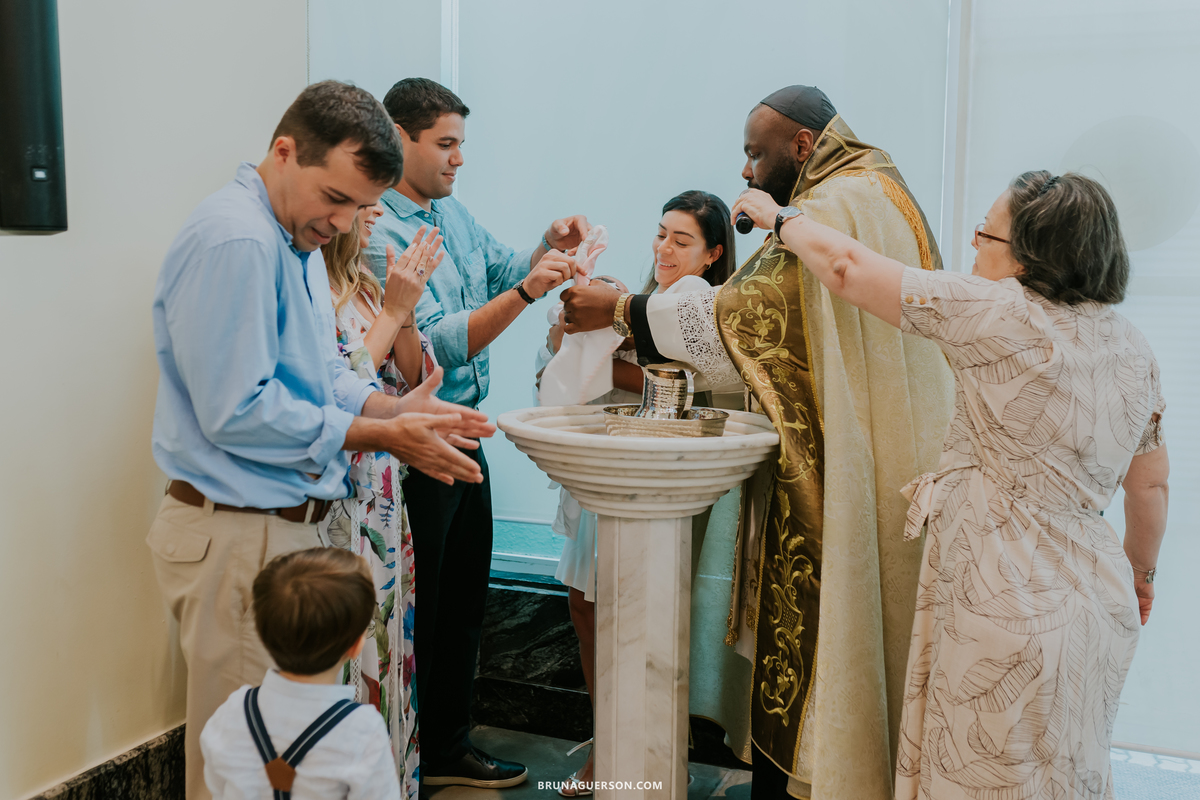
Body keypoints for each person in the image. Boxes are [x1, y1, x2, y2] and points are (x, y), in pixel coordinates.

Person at [562, 86, 956, 799]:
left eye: (756, 152)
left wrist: (620, 308)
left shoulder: (832, 206)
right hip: (880, 448)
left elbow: (743, 318)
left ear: (802, 146)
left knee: (822, 649)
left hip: (842, 469)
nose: (745, 171)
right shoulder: (884, 193)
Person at [733, 169, 1169, 800]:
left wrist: (779, 218)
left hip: (1003, 584)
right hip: (1095, 599)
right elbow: (1149, 486)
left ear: (1027, 257)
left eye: (983, 235)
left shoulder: (996, 311)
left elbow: (849, 269)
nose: (973, 249)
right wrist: (1141, 574)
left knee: (980, 774)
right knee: (1062, 774)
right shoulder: (1134, 347)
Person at [148, 80, 494, 800]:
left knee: (291, 776)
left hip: (280, 531)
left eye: (358, 208)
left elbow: (323, 375)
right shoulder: (237, 238)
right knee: (246, 777)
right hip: (236, 534)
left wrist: (392, 414)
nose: (342, 224)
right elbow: (238, 411)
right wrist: (380, 432)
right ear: (284, 151)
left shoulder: (293, 237)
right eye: (335, 199)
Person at [361, 77, 589, 790]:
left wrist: (542, 250)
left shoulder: (449, 215)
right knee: (425, 611)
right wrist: (527, 295)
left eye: (463, 144)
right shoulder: (379, 232)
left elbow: (498, 266)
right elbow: (434, 346)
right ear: (401, 138)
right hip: (417, 437)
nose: (459, 160)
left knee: (463, 605)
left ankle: (449, 744)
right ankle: (421, 753)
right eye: (446, 145)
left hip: (465, 436)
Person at [538, 190, 737, 795]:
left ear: (712, 255)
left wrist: (603, 344)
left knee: (621, 617)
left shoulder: (699, 304)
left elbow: (684, 381)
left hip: (646, 481)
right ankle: (609, 741)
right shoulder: (643, 303)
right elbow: (582, 354)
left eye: (682, 240)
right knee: (583, 607)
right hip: (607, 461)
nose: (665, 248)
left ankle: (636, 756)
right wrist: (581, 333)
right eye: (660, 234)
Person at [317, 206, 445, 800]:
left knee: (391, 634)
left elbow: (409, 371)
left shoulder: (368, 285)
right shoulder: (317, 285)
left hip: (389, 485)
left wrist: (406, 309)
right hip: (349, 481)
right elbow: (342, 381)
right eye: (362, 204)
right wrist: (393, 311)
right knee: (356, 637)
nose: (372, 215)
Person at [200, 547, 400, 800]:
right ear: (356, 645)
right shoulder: (362, 730)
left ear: (262, 636)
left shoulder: (232, 711)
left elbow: (218, 788)